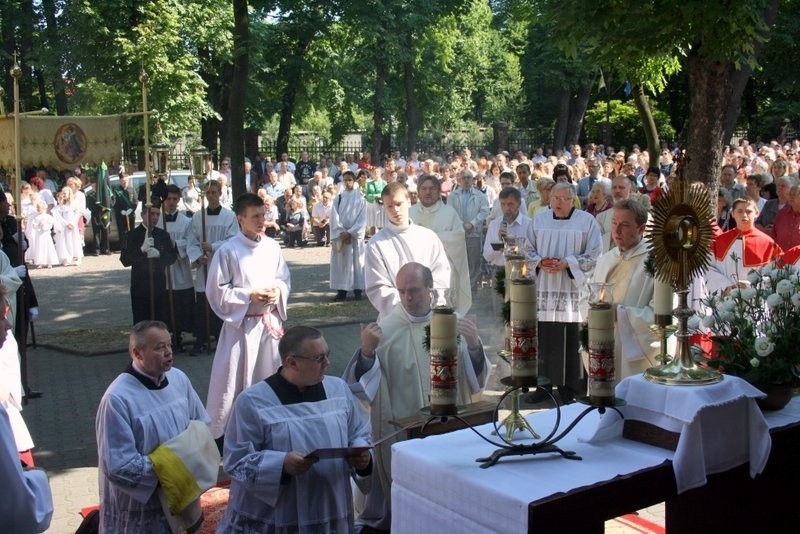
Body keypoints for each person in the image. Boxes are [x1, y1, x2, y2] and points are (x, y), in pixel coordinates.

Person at [343, 262, 489, 530]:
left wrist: (473, 345)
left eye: (414, 290)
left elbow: (475, 380)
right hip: (404, 431)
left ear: (430, 290)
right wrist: (366, 353)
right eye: (401, 291)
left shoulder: (451, 322)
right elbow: (359, 387)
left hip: (450, 426)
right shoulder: (385, 330)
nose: (407, 298)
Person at [218, 326, 372, 532]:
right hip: (281, 513)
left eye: (328, 355)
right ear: (292, 362)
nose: (328, 363)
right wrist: (281, 465)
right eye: (319, 358)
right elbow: (236, 461)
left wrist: (362, 455)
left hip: (330, 506)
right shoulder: (253, 401)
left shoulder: (338, 390)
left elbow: (360, 431)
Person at [96, 321, 217, 533]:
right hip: (144, 504)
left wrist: (186, 461)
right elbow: (118, 466)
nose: (169, 352)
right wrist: (174, 465)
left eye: (169, 345)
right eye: (159, 347)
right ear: (137, 352)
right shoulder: (118, 398)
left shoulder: (178, 378)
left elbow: (202, 424)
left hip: (183, 492)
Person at [205, 192, 291, 448]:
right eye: (255, 216)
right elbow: (216, 292)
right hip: (240, 329)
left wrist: (278, 291)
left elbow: (283, 278)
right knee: (234, 383)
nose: (261, 220)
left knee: (271, 378)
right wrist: (248, 295)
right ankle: (230, 437)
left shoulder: (272, 247)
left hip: (268, 326)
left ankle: (273, 432)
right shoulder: (228, 251)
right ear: (240, 219)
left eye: (263, 215)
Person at [526, 183, 602, 402]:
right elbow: (527, 248)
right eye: (555, 198)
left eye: (563, 198)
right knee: (546, 338)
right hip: (546, 287)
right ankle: (544, 386)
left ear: (572, 200)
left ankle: (573, 388)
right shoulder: (539, 219)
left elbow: (596, 254)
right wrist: (540, 261)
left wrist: (568, 264)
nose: (558, 203)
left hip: (572, 290)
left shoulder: (587, 221)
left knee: (572, 338)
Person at [585, 200, 660, 380]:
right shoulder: (606, 259)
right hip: (602, 343)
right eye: (614, 223)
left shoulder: (656, 262)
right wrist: (594, 310)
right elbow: (586, 297)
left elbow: (661, 314)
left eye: (625, 225)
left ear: (641, 229)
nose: (617, 231)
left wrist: (620, 314)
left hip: (633, 354)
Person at [364, 182, 451, 320]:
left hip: (431, 314)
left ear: (409, 202)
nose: (395, 210)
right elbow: (377, 286)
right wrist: (406, 308)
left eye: (399, 204)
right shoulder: (376, 244)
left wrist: (431, 303)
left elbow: (441, 274)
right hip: (395, 318)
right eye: (389, 206)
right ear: (384, 207)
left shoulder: (428, 236)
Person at [186, 180, 239, 355]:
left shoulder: (229, 216)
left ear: (220, 193)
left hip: (221, 267)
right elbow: (191, 241)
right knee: (202, 304)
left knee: (219, 303)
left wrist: (214, 247)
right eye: (208, 193)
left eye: (214, 192)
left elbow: (233, 240)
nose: (211, 196)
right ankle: (201, 339)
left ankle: (220, 338)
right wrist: (197, 257)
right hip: (204, 267)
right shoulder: (197, 217)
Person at [409, 174, 472, 315]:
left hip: (442, 270)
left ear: (438, 192)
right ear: (418, 192)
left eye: (432, 188)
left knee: (441, 312)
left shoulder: (449, 213)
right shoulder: (410, 213)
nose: (428, 192)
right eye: (424, 189)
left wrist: (431, 237)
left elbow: (459, 237)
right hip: (415, 270)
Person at [708, 197, 783, 295]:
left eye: (748, 211)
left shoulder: (767, 243)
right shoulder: (719, 241)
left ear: (757, 213)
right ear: (732, 214)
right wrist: (724, 286)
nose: (744, 215)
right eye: (739, 211)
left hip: (754, 299)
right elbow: (708, 267)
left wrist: (752, 284)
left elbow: (777, 273)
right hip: (725, 296)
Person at [120, 201, 178, 325]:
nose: (155, 217)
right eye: (152, 214)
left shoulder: (163, 235)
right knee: (142, 324)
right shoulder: (131, 235)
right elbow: (125, 260)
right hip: (140, 287)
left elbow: (172, 257)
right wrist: (141, 250)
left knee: (159, 322)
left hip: (159, 286)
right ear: (143, 214)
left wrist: (159, 255)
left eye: (158, 214)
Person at [158, 185, 194, 352]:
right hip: (162, 271)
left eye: (174, 199)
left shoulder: (187, 222)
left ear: (179, 200)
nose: (171, 202)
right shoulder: (157, 221)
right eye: (168, 199)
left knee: (179, 307)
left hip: (179, 269)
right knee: (164, 307)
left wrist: (172, 245)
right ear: (163, 200)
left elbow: (189, 242)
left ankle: (178, 337)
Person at [447, 169, 490, 293]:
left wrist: (472, 223)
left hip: (474, 233)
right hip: (458, 233)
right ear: (459, 180)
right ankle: (460, 289)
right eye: (463, 178)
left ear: (473, 180)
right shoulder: (453, 196)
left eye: (468, 177)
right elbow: (450, 212)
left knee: (474, 262)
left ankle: (471, 290)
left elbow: (485, 211)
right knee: (459, 261)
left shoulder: (480, 195)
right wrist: (462, 226)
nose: (466, 180)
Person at [330, 171, 367, 302]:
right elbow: (334, 216)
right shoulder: (339, 198)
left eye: (350, 179)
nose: (348, 182)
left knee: (357, 263)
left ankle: (358, 290)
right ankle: (342, 291)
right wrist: (341, 232)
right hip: (342, 235)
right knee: (342, 264)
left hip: (354, 236)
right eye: (345, 180)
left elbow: (362, 219)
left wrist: (351, 232)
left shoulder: (360, 198)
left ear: (354, 180)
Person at [112, 171, 138, 249]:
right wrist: (121, 211)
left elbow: (135, 201)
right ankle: (123, 247)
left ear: (128, 180)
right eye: (123, 181)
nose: (124, 183)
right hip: (121, 215)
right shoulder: (116, 190)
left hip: (130, 214)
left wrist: (132, 210)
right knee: (122, 232)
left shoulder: (132, 189)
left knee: (132, 231)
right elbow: (114, 202)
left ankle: (132, 246)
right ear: (120, 181)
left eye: (126, 181)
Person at [772, 184, 800, 252]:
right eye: (790, 194)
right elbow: (774, 234)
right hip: (781, 258)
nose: (791, 197)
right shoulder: (781, 213)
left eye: (794, 194)